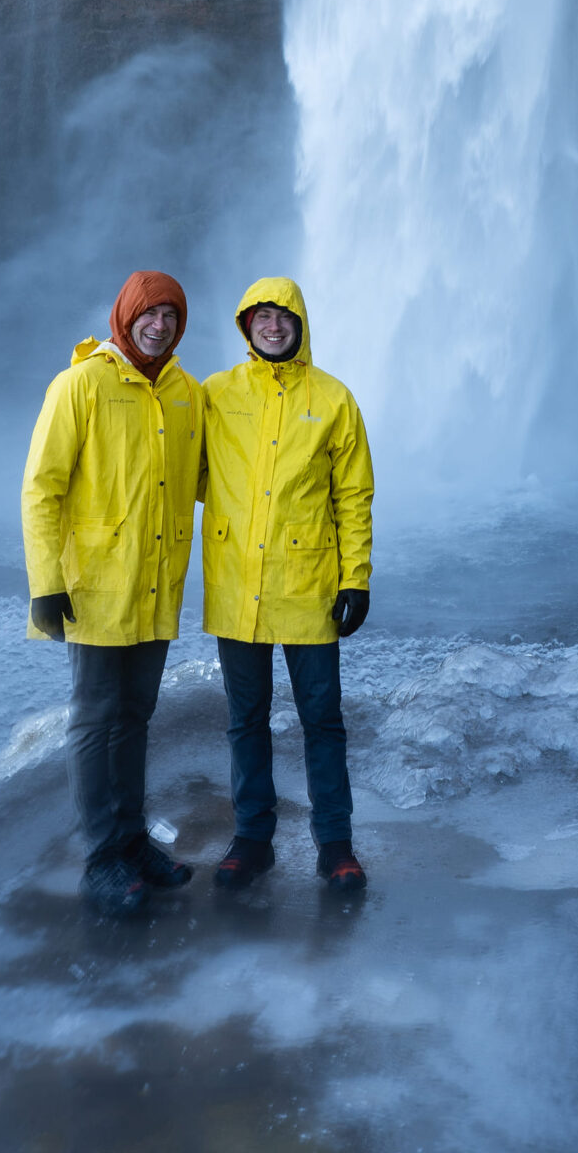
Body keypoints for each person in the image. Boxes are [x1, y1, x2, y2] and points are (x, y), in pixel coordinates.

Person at [21, 266, 206, 917]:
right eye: (149, 315)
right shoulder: (82, 385)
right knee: (97, 719)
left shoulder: (185, 393)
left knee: (135, 717)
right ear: (124, 318)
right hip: (95, 587)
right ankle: (102, 861)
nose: (159, 327)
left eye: (172, 318)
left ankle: (133, 842)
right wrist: (46, 586)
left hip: (154, 587)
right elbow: (41, 489)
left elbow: (216, 478)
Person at [201, 273, 373, 894]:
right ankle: (252, 840)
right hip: (236, 585)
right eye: (261, 316)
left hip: (309, 587)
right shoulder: (216, 394)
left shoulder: (333, 399)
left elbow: (353, 496)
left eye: (284, 316)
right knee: (244, 720)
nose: (273, 326)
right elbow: (170, 469)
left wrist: (356, 578)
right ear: (246, 325)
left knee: (321, 720)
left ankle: (335, 844)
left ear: (300, 325)